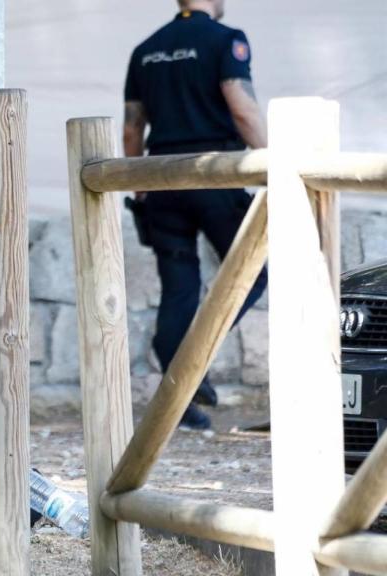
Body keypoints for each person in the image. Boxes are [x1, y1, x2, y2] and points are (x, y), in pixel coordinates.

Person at [123, 0, 268, 430]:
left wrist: (140, 187)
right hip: (215, 176)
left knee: (179, 290)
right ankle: (195, 359)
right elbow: (241, 107)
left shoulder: (145, 49)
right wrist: (277, 162)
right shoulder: (227, 40)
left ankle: (182, 401)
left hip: (163, 180)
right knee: (253, 271)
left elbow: (133, 129)